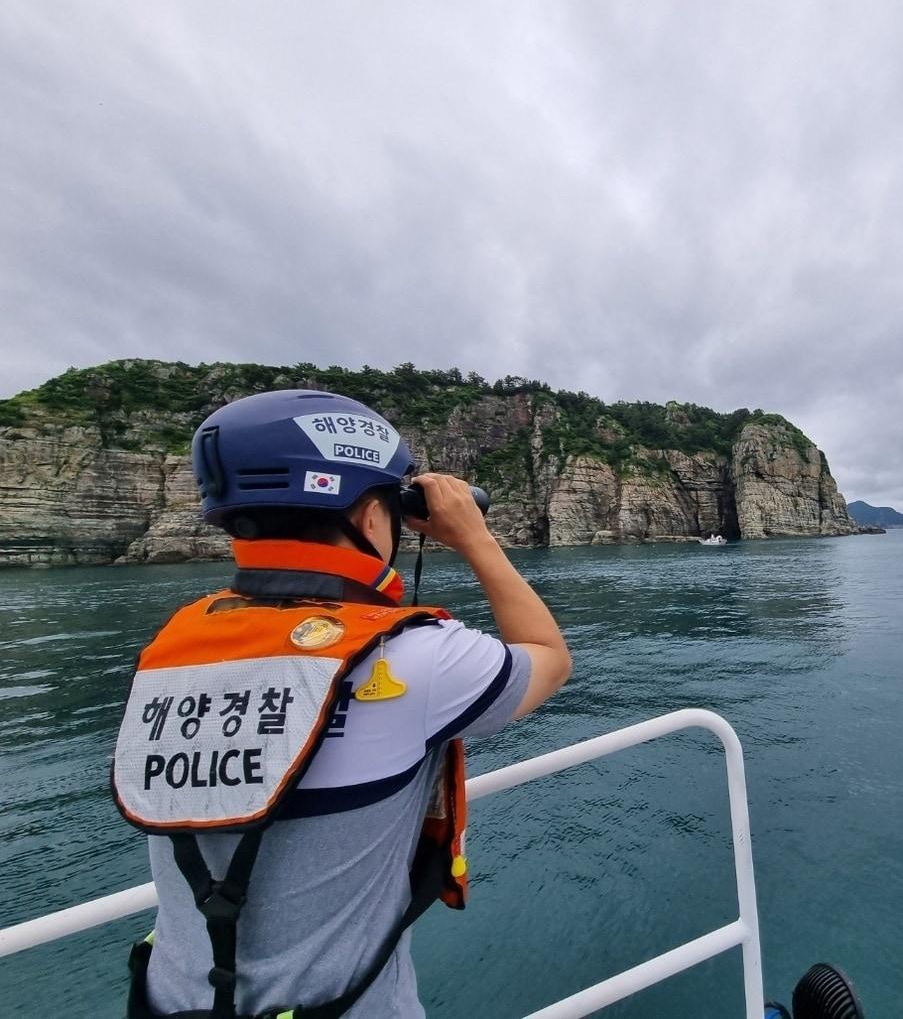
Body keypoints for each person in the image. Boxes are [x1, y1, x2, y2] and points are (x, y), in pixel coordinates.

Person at [111, 389, 571, 1019]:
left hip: (169, 1004)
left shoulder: (172, 650)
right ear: (371, 515)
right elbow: (548, 656)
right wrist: (475, 539)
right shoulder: (415, 660)